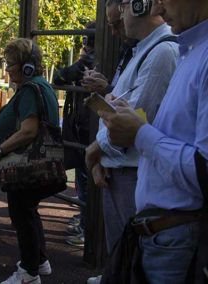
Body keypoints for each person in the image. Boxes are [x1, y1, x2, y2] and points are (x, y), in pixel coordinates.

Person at [98, 0, 208, 282]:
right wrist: (136, 125)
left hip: (176, 239)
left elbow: (203, 169)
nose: (158, 10)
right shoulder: (190, 50)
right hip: (163, 235)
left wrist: (139, 133)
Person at [85, 2, 179, 283]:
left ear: (141, 6)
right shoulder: (145, 50)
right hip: (121, 169)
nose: (120, 18)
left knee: (131, 263)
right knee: (122, 258)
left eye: (124, 6)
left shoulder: (162, 52)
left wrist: (94, 152)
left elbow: (131, 121)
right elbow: (124, 111)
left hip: (132, 175)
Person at [0, 38, 60, 284]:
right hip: (38, 163)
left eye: (10, 64)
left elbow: (28, 130)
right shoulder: (39, 86)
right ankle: (39, 261)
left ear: (27, 66)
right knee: (28, 211)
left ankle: (29, 273)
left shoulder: (30, 89)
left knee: (22, 214)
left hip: (27, 165)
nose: (7, 69)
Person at [53, 21, 95, 247]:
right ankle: (84, 217)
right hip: (86, 122)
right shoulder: (105, 57)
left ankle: (87, 227)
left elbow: (60, 76)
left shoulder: (88, 61)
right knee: (84, 175)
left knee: (85, 176)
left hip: (87, 125)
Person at [81, 0, 137, 96]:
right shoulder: (127, 48)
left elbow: (136, 103)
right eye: (111, 25)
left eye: (117, 24)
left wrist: (106, 88)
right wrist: (104, 83)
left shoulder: (155, 50)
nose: (113, 32)